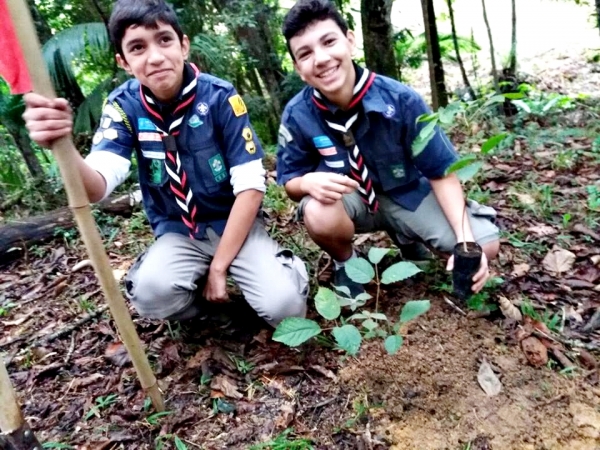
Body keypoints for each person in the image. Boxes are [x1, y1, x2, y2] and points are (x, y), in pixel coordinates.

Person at [23, 0, 308, 325]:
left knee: (285, 308)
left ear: (183, 45)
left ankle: (261, 272)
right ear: (124, 62)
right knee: (150, 293)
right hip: (178, 232)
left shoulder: (219, 97)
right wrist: (64, 146)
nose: (155, 57)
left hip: (235, 224)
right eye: (137, 47)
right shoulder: (123, 108)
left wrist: (219, 267)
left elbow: (251, 187)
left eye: (164, 40)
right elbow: (98, 186)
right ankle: (208, 311)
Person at [276, 0, 500, 297]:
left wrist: (465, 242)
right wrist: (305, 182)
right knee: (317, 212)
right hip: (349, 200)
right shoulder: (298, 114)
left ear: (350, 41)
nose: (321, 58)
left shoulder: (401, 100)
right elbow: (289, 180)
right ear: (298, 68)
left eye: (329, 41)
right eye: (305, 53)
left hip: (406, 193)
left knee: (485, 244)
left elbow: (441, 173)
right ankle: (346, 263)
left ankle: (408, 238)